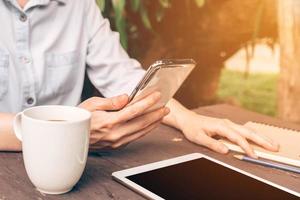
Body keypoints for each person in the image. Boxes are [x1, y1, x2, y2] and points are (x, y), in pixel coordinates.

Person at [0, 0, 279, 157]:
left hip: (69, 163)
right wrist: (62, 131)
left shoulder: (80, 6)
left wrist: (187, 119)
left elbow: (122, 76)